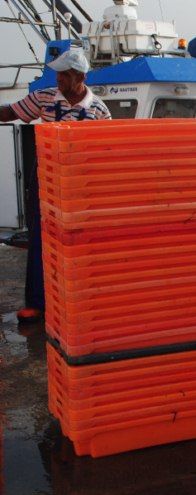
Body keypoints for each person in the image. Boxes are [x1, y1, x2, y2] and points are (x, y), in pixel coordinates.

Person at [0, 48, 111, 322]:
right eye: (58, 74)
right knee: (40, 238)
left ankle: (79, 302)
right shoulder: (44, 97)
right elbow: (10, 112)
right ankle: (37, 304)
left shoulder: (99, 110)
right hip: (46, 179)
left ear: (81, 77)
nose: (58, 79)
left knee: (78, 243)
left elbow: (105, 150)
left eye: (65, 74)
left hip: (79, 185)